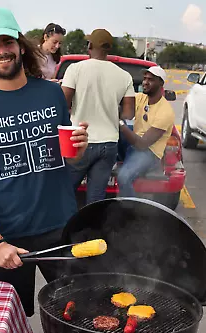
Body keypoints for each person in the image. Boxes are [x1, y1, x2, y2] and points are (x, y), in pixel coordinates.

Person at [0, 7, 88, 317]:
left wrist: (80, 147)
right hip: (9, 238)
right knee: (8, 323)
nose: (2, 51)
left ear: (20, 45)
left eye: (7, 42)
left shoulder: (52, 96)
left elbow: (67, 155)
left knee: (78, 313)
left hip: (62, 229)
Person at [61, 29, 135, 205]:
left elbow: (63, 103)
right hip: (109, 144)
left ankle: (64, 230)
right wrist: (109, 111)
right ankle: (92, 231)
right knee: (96, 200)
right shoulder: (124, 76)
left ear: (90, 45)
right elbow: (129, 113)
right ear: (108, 48)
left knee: (65, 193)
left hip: (80, 142)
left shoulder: (75, 69)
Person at [117, 66, 175, 197]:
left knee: (124, 177)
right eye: (144, 79)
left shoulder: (165, 111)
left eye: (151, 80)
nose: (145, 82)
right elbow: (118, 98)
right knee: (118, 128)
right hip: (134, 144)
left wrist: (120, 123)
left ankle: (131, 211)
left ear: (161, 83)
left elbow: (142, 144)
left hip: (149, 153)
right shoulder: (140, 98)